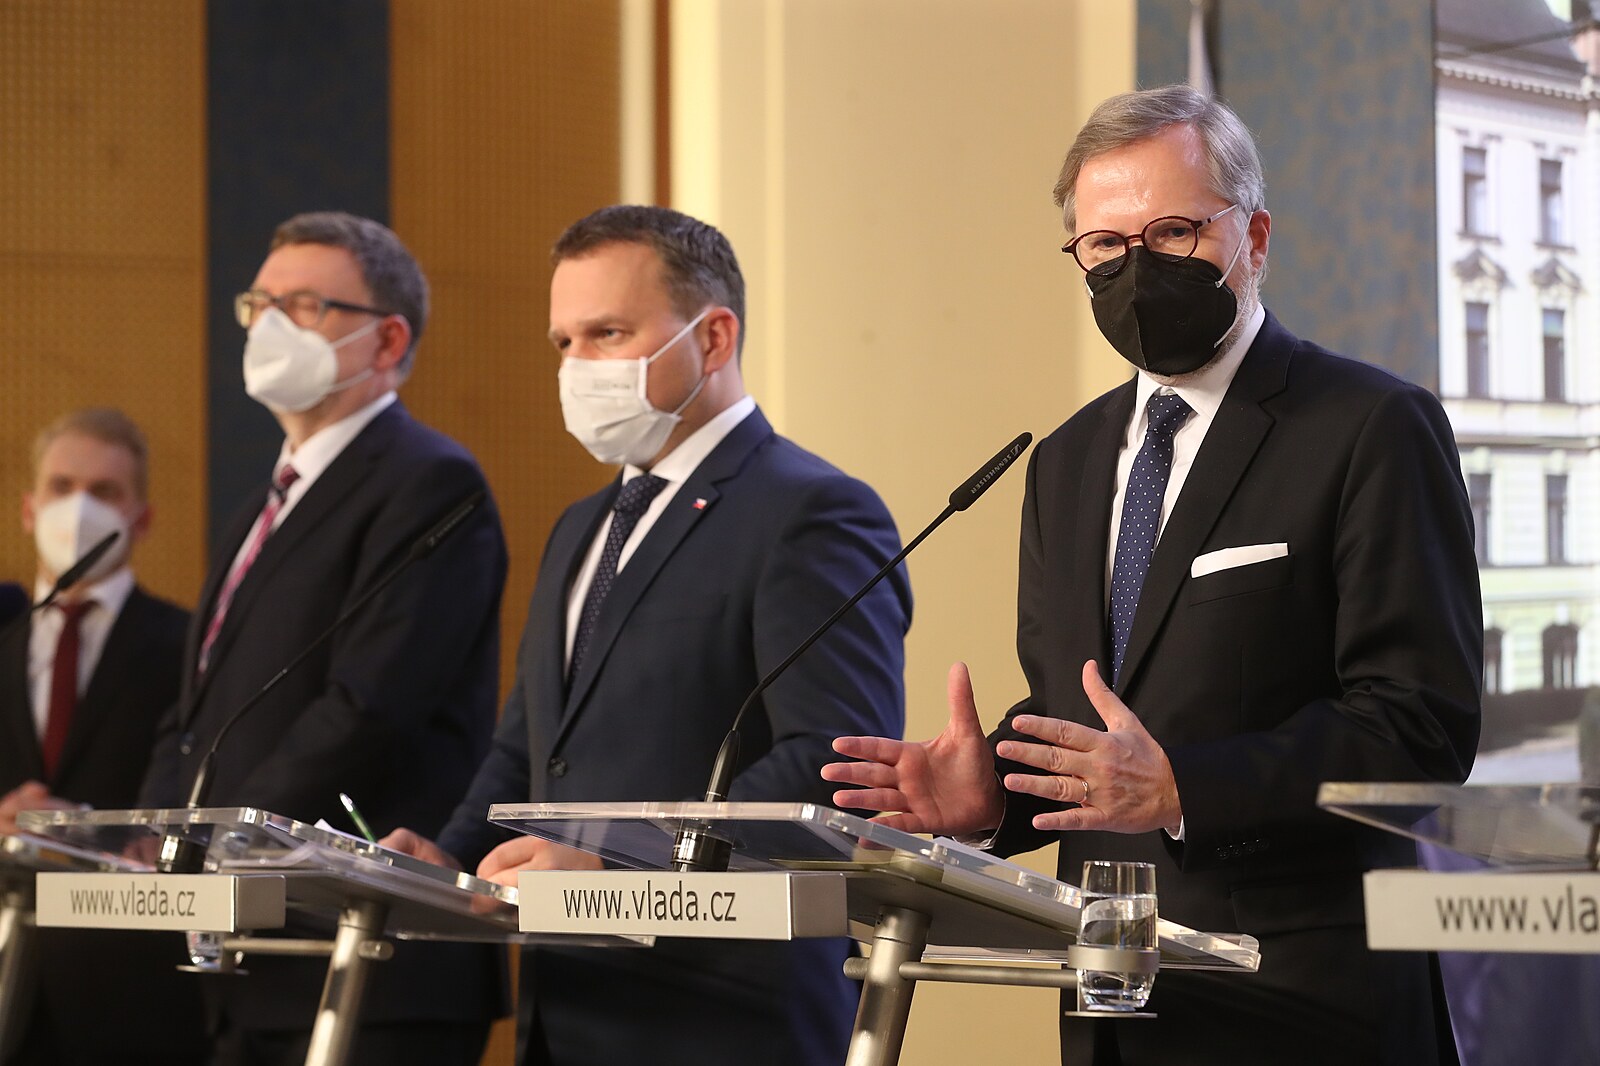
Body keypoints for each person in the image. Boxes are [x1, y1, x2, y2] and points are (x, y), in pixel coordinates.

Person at [824, 85, 1481, 1066]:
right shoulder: (1064, 460)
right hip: (1109, 1000)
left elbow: (1420, 725)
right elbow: (1088, 717)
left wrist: (1185, 789)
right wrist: (992, 800)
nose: (1137, 270)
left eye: (1173, 232)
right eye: (1104, 245)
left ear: (1254, 236)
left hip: (1306, 1006)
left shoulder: (1370, 426)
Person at [384, 204, 912, 1066]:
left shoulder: (813, 511)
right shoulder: (580, 527)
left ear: (714, 338)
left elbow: (830, 757)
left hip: (723, 1012)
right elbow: (532, 748)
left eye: (608, 333)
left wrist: (621, 867)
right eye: (564, 342)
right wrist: (448, 853)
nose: (577, 366)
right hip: (569, 1003)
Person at [137, 212, 509, 1066]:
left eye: (303, 305)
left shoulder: (430, 484)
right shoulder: (263, 502)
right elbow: (198, 706)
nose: (269, 326)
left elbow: (370, 707)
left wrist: (220, 838)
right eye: (259, 304)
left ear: (387, 340)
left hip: (370, 951)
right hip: (248, 952)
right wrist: (154, 833)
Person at [0, 407, 206, 1065]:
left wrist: (84, 832)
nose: (79, 508)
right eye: (62, 487)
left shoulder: (190, 648)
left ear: (141, 518)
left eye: (105, 491)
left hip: (127, 993)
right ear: (29, 508)